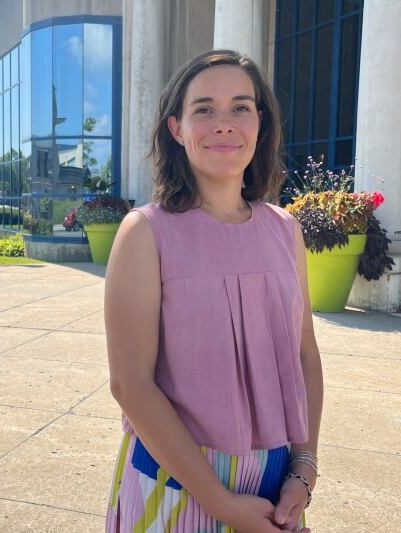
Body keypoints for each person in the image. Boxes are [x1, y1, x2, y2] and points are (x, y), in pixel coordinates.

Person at [104, 50, 323, 533]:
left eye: (240, 107)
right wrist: (220, 503)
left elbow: (306, 354)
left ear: (259, 123)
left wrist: (303, 470)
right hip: (173, 486)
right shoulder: (144, 233)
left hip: (276, 487)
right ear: (176, 129)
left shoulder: (286, 231)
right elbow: (130, 385)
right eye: (204, 109)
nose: (224, 123)